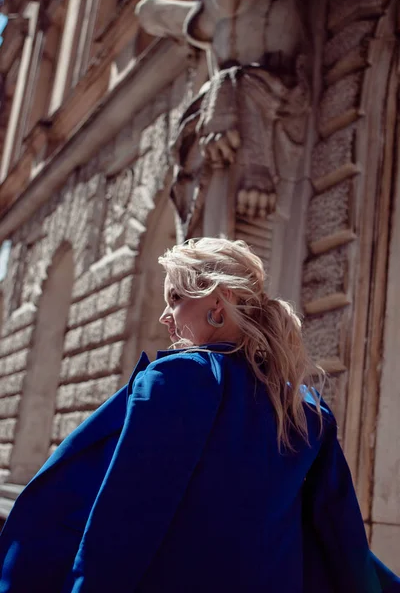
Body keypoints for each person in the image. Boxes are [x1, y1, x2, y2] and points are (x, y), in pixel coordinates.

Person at [0, 237, 399, 593]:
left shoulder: (177, 381)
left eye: (175, 298)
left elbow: (124, 525)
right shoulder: (306, 409)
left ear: (218, 305)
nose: (164, 315)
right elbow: (342, 538)